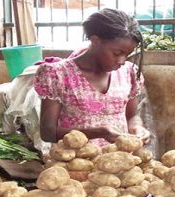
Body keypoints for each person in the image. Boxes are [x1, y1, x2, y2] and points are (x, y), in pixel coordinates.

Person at [35, 8, 151, 147]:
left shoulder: (129, 73)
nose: (122, 60)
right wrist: (97, 132)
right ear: (95, 40)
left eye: (127, 54)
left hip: (118, 162)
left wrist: (137, 127)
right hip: (73, 162)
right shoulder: (57, 75)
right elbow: (48, 132)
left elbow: (132, 116)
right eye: (117, 53)